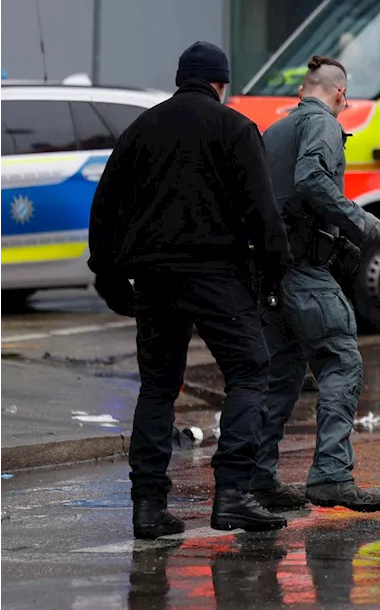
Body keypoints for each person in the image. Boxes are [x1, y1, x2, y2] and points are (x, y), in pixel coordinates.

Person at [88, 41, 293, 539]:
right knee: (248, 371)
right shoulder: (234, 128)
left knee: (158, 387)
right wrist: (275, 272)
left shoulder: (142, 129)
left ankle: (148, 508)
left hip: (154, 278)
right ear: (221, 84)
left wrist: (109, 275)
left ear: (181, 78)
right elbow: (262, 212)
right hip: (218, 275)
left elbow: (106, 207)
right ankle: (233, 496)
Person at [250, 55, 380, 513]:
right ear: (339, 94)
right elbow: (311, 179)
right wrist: (359, 221)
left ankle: (259, 478)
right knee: (340, 360)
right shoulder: (325, 125)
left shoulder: (274, 132)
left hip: (270, 274)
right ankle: (331, 475)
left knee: (283, 374)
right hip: (304, 272)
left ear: (301, 90)